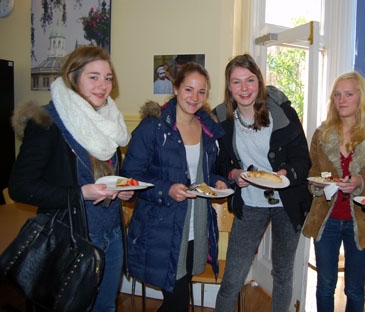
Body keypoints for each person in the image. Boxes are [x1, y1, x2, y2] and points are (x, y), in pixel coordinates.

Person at [8, 45, 134, 311]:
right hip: (73, 238)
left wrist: (120, 189)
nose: (103, 85)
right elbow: (20, 187)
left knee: (105, 308)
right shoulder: (47, 120)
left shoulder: (109, 121)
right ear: (73, 76)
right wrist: (80, 193)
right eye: (94, 76)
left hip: (111, 235)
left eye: (108, 77)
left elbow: (105, 174)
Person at [121, 62, 228, 312]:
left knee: (179, 296)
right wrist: (166, 189)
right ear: (176, 88)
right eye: (189, 89)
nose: (195, 97)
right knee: (177, 301)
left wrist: (217, 181)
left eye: (201, 92)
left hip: (196, 227)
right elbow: (130, 177)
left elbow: (201, 173)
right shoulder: (153, 128)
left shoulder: (207, 129)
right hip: (163, 227)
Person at [212, 53, 312, 312]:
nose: (244, 88)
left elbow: (302, 157)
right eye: (236, 82)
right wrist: (233, 174)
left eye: (250, 80)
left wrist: (286, 174)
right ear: (229, 87)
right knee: (233, 276)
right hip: (250, 202)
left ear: (259, 82)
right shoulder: (221, 118)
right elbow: (220, 163)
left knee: (282, 272)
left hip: (286, 201)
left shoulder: (281, 111)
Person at [301, 71, 365, 311]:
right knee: (324, 286)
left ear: (360, 97)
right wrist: (320, 185)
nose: (341, 100)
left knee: (354, 288)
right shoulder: (322, 134)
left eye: (348, 94)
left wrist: (360, 182)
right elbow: (314, 174)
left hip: (362, 221)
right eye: (337, 95)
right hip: (326, 219)